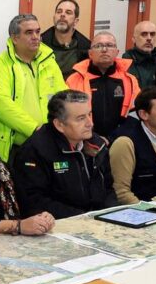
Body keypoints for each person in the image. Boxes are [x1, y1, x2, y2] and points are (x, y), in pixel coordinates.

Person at [13, 89, 116, 218]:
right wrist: (84, 218)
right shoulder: (34, 151)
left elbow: (108, 189)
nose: (90, 123)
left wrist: (111, 215)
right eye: (81, 118)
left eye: (89, 114)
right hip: (60, 224)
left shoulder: (97, 144)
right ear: (59, 125)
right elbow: (34, 201)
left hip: (98, 220)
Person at [0, 14, 65, 163]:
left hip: (51, 141)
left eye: (38, 31)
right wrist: (35, 129)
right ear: (14, 38)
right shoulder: (0, 66)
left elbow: (63, 97)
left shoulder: (50, 62)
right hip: (16, 148)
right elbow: (1, 106)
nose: (36, 37)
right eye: (29, 32)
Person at [65, 31, 140, 139]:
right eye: (98, 46)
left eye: (109, 45)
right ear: (90, 53)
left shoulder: (130, 80)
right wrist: (93, 139)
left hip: (121, 140)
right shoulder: (74, 80)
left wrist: (115, 138)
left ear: (117, 52)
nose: (104, 49)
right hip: (84, 141)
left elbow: (135, 114)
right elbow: (69, 115)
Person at [40, 0, 91, 78]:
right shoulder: (40, 43)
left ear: (76, 21)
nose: (62, 15)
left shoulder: (86, 48)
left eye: (68, 12)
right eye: (59, 11)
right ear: (54, 18)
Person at [123, 21, 156, 88]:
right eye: (144, 34)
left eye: (152, 34)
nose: (149, 38)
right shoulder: (125, 63)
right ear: (134, 39)